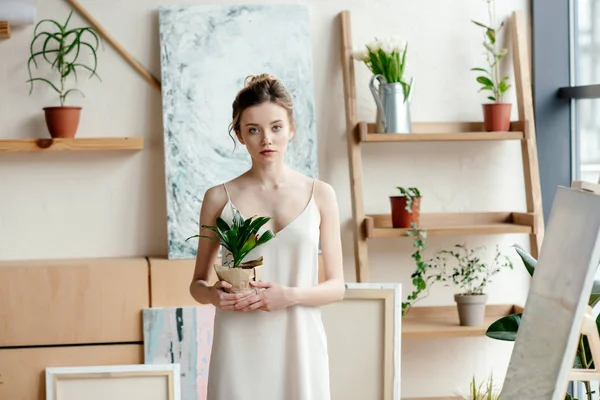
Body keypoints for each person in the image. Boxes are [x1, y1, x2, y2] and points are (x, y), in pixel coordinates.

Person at [189, 73, 346, 400]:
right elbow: (197, 284)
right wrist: (214, 296)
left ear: (291, 128)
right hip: (237, 344)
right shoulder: (218, 198)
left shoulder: (321, 194)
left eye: (276, 127)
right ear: (240, 135)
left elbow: (337, 287)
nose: (266, 140)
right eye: (253, 130)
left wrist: (288, 296)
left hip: (299, 343)